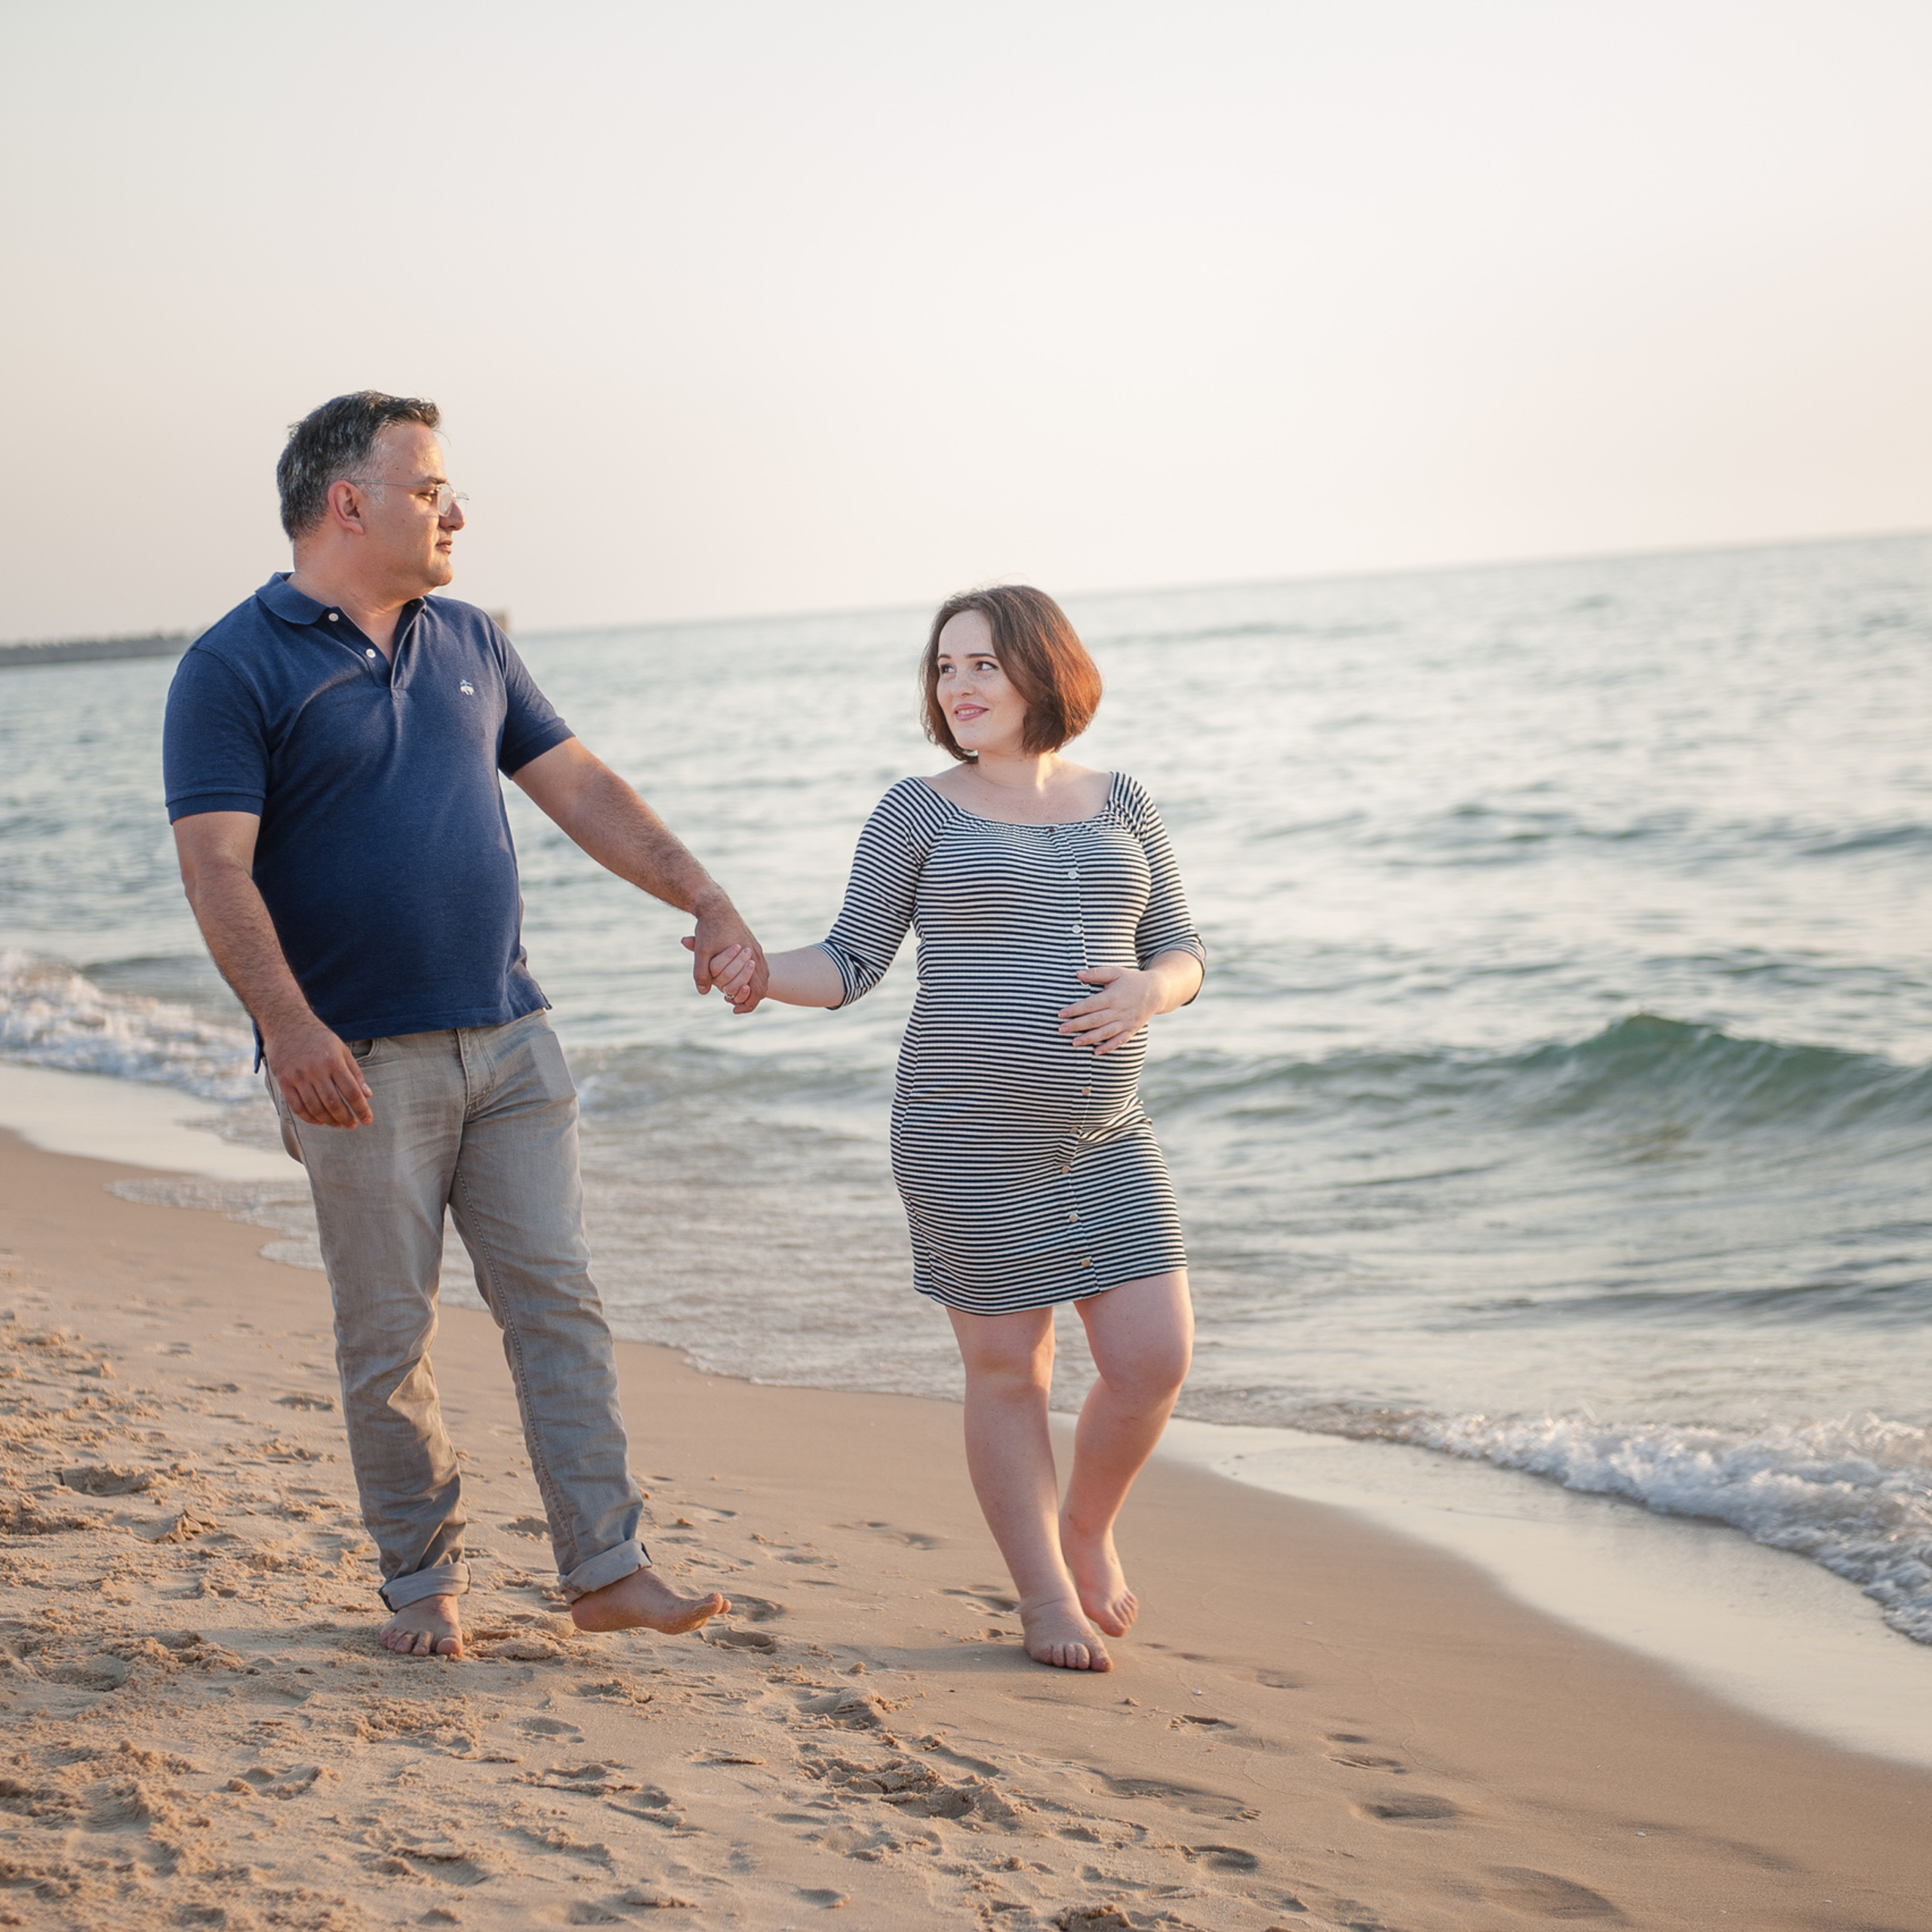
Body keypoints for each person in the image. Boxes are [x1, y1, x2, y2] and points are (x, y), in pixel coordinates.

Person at [162, 390, 766, 1658]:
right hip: (355, 1062)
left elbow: (580, 787)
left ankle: (606, 1566)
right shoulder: (232, 665)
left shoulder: (471, 639)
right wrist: (292, 1028)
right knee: (389, 1336)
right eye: (431, 488)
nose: (455, 513)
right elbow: (216, 868)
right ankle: (422, 1583)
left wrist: (705, 896)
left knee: (559, 1301)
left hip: (510, 1036)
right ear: (349, 502)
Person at [697, 586, 1204, 1670]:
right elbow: (850, 963)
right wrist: (756, 973)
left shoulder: (1122, 798)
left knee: (1155, 1359)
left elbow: (1183, 950)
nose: (959, 686)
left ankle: (1086, 1528)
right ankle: (1045, 1597)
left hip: (1109, 1133)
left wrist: (1148, 992)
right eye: (944, 667)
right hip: (964, 1138)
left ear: (1043, 668)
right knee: (1011, 1371)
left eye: (983, 664)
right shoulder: (918, 811)